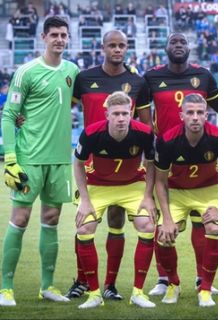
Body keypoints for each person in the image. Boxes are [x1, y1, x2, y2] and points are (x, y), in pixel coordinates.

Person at [65, 29, 152, 300]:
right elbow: (62, 111)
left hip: (126, 167)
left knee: (117, 221)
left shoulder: (137, 82)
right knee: (84, 222)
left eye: (122, 45)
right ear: (102, 47)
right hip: (90, 166)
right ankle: (81, 280)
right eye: (112, 45)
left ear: (127, 48)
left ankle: (110, 285)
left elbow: (146, 124)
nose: (117, 49)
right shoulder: (84, 78)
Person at [144, 32, 218, 297]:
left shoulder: (203, 76)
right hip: (165, 158)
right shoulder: (151, 77)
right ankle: (163, 279)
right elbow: (143, 115)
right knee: (163, 223)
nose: (178, 46)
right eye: (174, 42)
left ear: (189, 48)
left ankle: (200, 277)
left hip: (199, 156)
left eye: (183, 42)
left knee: (200, 222)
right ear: (166, 47)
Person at [0, 16, 79, 307]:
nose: (59, 39)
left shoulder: (72, 70)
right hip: (29, 159)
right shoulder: (26, 71)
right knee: (19, 219)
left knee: (52, 219)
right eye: (54, 34)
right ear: (43, 37)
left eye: (64, 35)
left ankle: (47, 286)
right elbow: (9, 115)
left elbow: (89, 98)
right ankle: (5, 288)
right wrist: (11, 159)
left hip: (59, 160)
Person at [155, 93, 218, 307]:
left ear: (207, 115)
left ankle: (205, 288)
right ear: (182, 115)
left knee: (214, 229)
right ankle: (173, 284)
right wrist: (167, 219)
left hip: (208, 190)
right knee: (163, 235)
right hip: (177, 192)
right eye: (190, 113)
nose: (195, 117)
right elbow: (160, 182)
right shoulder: (167, 140)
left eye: (199, 113)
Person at [73, 91, 156, 308]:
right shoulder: (91, 133)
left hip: (132, 185)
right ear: (107, 114)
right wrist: (85, 199)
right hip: (98, 185)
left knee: (147, 225)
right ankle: (94, 294)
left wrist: (148, 196)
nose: (121, 118)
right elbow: (78, 164)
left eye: (125, 113)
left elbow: (151, 164)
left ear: (131, 114)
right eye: (116, 114)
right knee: (84, 228)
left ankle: (138, 292)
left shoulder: (145, 133)